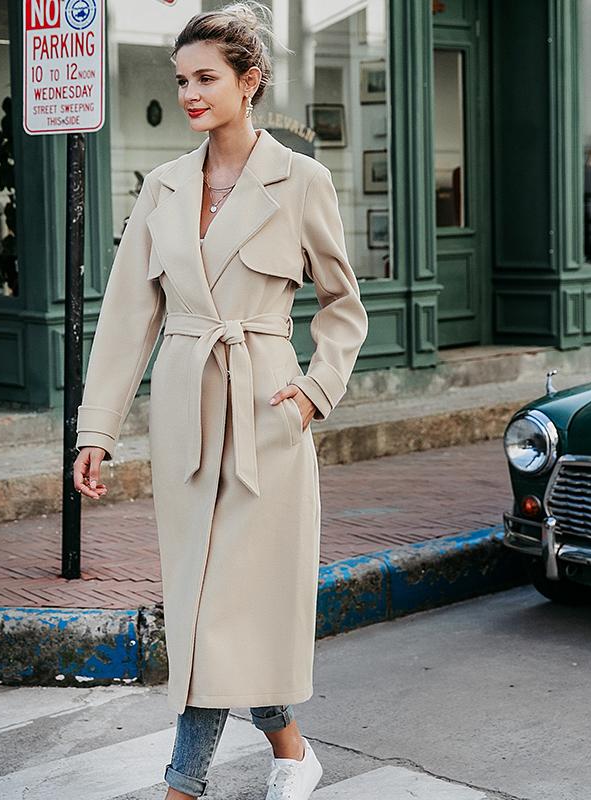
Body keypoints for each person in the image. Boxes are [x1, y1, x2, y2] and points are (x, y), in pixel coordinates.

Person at [73, 3, 369, 798]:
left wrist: (313, 392)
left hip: (267, 414)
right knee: (210, 606)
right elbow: (128, 314)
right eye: (182, 80)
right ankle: (292, 751)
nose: (191, 94)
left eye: (207, 77)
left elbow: (344, 306)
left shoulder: (301, 179)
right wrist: (96, 428)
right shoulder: (164, 187)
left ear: (250, 80)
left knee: (222, 610)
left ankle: (180, 787)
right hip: (184, 415)